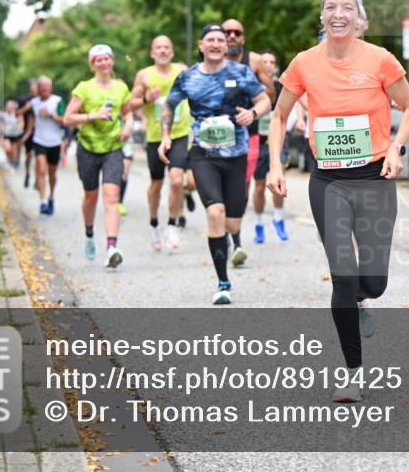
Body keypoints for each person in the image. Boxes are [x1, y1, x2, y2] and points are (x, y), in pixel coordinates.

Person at [267, 0, 409, 403]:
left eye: (347, 7)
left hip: (374, 178)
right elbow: (279, 116)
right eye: (331, 7)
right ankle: (352, 373)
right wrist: (276, 163)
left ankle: (362, 299)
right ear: (322, 16)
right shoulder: (304, 63)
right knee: (342, 274)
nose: (339, 14)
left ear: (359, 17)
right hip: (329, 181)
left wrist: (396, 147)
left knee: (374, 281)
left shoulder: (380, 60)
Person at [160, 23, 270, 305]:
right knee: (215, 213)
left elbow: (264, 100)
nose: (216, 44)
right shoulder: (188, 77)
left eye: (221, 40)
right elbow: (169, 106)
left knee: (232, 222)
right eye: (210, 39)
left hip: (236, 154)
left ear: (226, 45)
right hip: (203, 154)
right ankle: (223, 283)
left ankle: (231, 239)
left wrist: (253, 113)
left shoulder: (241, 72)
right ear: (201, 46)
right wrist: (165, 136)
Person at [62, 45, 133, 267]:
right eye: (99, 60)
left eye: (107, 59)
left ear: (112, 61)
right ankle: (89, 233)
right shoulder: (84, 88)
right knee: (90, 197)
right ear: (92, 64)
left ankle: (112, 248)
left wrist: (128, 126)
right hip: (88, 148)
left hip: (113, 147)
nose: (104, 63)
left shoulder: (121, 87)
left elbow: (128, 113)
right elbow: (67, 118)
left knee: (112, 196)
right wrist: (93, 115)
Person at [129, 35, 193, 252]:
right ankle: (154, 223)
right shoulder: (144, 75)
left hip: (179, 133)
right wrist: (146, 98)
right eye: (159, 47)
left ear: (172, 52)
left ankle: (172, 224)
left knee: (177, 180)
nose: (163, 50)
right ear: (152, 52)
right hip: (155, 137)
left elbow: (196, 92)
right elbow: (130, 104)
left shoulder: (182, 70)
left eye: (167, 47)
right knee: (156, 184)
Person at [222, 18, 277, 261]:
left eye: (237, 32)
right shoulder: (212, 61)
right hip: (218, 133)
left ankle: (235, 238)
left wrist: (252, 98)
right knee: (218, 184)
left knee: (241, 184)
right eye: (227, 32)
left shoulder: (254, 61)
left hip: (248, 132)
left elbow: (270, 94)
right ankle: (222, 228)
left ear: (243, 38)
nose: (232, 36)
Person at [250, 50, 289, 244]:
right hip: (257, 140)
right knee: (259, 186)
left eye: (272, 62)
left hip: (279, 139)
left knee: (279, 180)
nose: (268, 65)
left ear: (276, 66)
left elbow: (295, 106)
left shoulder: (283, 86)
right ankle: (258, 224)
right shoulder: (251, 86)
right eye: (264, 61)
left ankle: (278, 219)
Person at [28, 76, 65, 215]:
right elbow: (26, 115)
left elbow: (64, 120)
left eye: (47, 87)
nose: (44, 90)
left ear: (51, 88)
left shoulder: (58, 101)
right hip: (39, 141)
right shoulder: (34, 102)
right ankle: (43, 201)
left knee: (52, 174)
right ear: (38, 89)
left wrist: (50, 115)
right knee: (41, 169)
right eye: (42, 88)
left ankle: (51, 197)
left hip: (54, 142)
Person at [17, 79, 39, 188]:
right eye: (32, 87)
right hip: (28, 131)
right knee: (29, 155)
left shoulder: (42, 99)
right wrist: (26, 107)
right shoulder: (24, 100)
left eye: (36, 87)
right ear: (29, 88)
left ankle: (37, 179)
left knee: (39, 157)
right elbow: (17, 113)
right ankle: (27, 174)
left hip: (40, 132)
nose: (34, 89)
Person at [2, 100, 25, 169]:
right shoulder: (4, 115)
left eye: (10, 106)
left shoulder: (17, 114)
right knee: (7, 149)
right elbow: (2, 125)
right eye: (7, 106)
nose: (9, 108)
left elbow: (21, 123)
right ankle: (9, 160)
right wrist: (2, 130)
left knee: (14, 151)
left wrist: (16, 127)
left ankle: (13, 163)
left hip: (15, 135)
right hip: (7, 135)